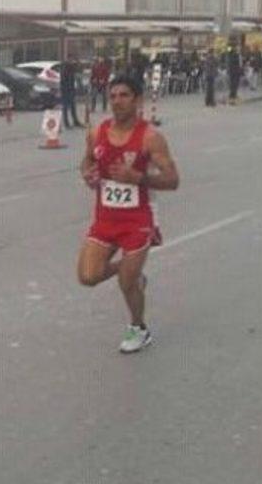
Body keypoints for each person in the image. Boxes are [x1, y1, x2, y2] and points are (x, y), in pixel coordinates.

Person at [77, 74, 180, 353]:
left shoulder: (150, 137)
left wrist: (138, 178)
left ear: (137, 99)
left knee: (126, 282)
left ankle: (138, 327)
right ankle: (134, 274)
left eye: (124, 95)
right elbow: (86, 161)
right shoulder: (97, 132)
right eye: (113, 96)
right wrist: (88, 175)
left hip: (137, 221)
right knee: (87, 276)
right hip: (105, 219)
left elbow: (173, 180)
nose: (117, 101)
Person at [59, 55, 83, 129]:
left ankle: (75, 121)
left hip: (71, 89)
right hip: (66, 90)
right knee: (65, 107)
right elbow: (63, 80)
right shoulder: (65, 68)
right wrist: (65, 89)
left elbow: (77, 73)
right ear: (68, 59)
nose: (72, 61)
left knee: (72, 106)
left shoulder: (71, 68)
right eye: (71, 60)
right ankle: (67, 123)